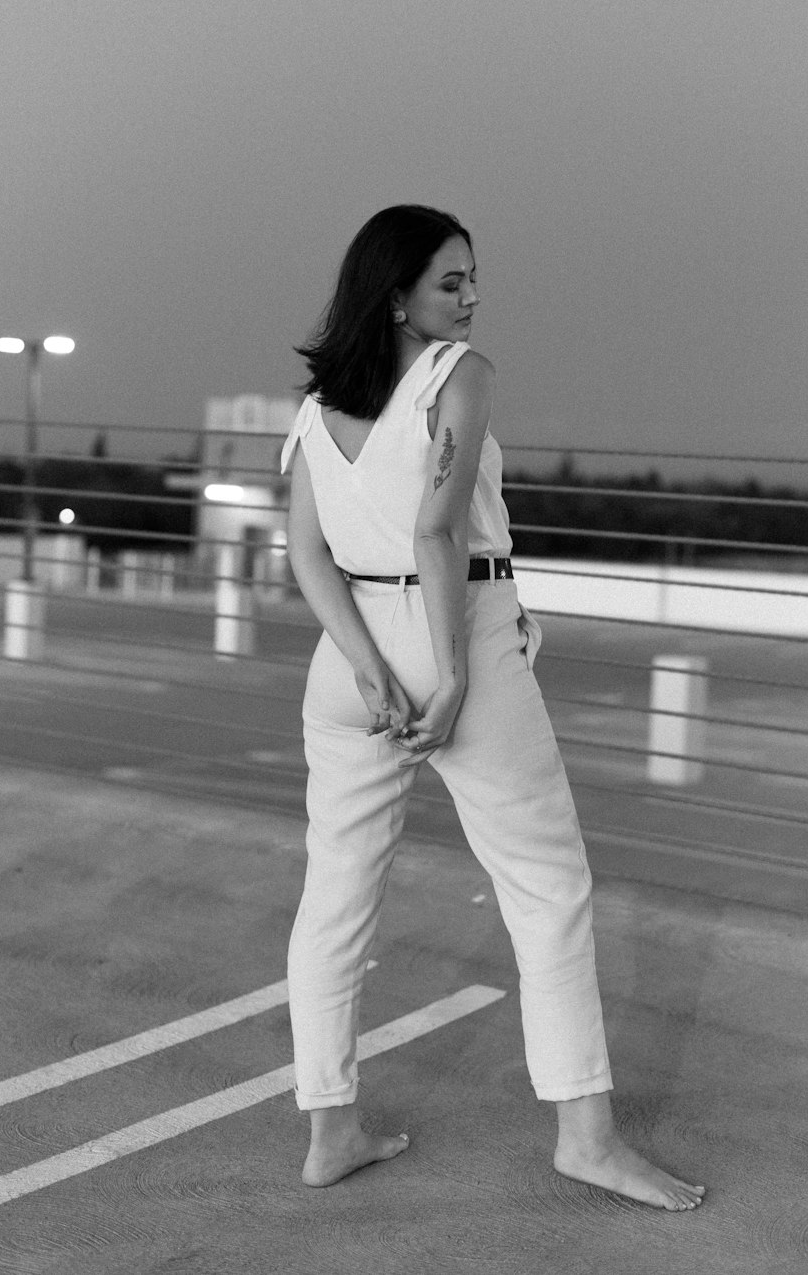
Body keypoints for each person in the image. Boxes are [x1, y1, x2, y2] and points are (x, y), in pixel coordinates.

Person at [281, 205, 705, 1211]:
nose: (471, 298)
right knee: (547, 886)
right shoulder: (459, 375)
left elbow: (307, 552)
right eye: (449, 283)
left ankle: (330, 1129)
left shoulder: (313, 411)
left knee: (337, 894)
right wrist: (451, 670)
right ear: (395, 295)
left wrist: (371, 667)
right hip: (451, 632)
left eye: (473, 279)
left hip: (347, 661)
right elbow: (435, 529)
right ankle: (586, 1138)